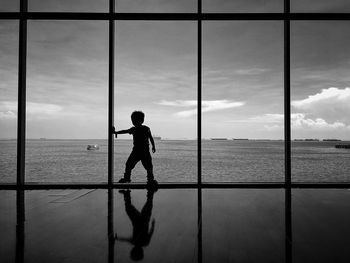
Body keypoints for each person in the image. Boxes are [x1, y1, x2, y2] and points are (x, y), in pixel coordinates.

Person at [113, 111, 157, 186]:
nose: (134, 122)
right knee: (147, 166)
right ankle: (150, 180)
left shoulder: (137, 129)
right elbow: (151, 138)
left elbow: (125, 131)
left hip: (138, 151)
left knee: (131, 165)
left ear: (141, 120)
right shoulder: (145, 128)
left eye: (135, 120)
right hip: (143, 151)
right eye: (133, 120)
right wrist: (153, 146)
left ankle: (127, 178)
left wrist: (115, 132)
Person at [115, 189, 156, 261]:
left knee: (149, 203)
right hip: (137, 220)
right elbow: (125, 240)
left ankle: (151, 191)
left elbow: (151, 232)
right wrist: (117, 238)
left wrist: (153, 224)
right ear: (133, 250)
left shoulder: (145, 243)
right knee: (128, 208)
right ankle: (126, 194)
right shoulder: (134, 242)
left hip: (144, 220)